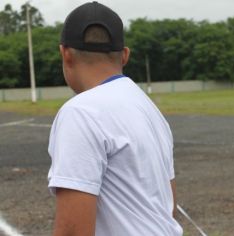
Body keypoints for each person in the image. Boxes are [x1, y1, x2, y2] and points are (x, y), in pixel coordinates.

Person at [47, 2, 183, 236]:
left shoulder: (80, 112)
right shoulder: (148, 108)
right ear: (125, 55)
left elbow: (73, 231)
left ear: (65, 53)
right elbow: (167, 206)